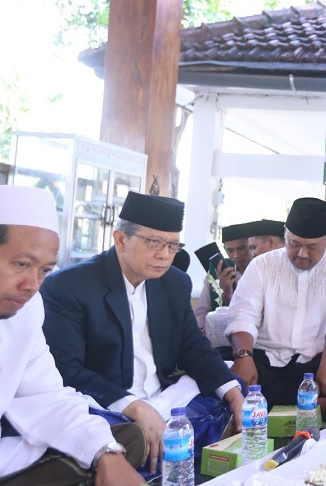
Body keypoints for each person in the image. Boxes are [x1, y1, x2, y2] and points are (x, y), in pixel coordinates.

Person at [40, 191, 244, 477]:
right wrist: (134, 406)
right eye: (154, 243)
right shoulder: (69, 286)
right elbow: (67, 370)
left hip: (162, 398)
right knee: (113, 437)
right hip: (108, 403)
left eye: (173, 245)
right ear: (121, 239)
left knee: (236, 391)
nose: (164, 255)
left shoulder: (174, 282)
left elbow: (193, 347)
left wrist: (234, 394)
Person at [0, 185, 145, 486]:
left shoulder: (26, 308)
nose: (32, 284)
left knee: (124, 438)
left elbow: (45, 395)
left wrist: (105, 452)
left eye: (44, 270)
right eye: (22, 264)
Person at [226, 198, 326, 422]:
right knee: (226, 368)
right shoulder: (261, 265)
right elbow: (243, 314)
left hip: (317, 361)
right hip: (264, 361)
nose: (302, 254)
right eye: (294, 243)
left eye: (312, 247)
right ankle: (313, 404)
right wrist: (244, 356)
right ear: (285, 233)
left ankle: (277, 402)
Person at [193, 222, 252, 331]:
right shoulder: (217, 271)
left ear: (250, 246)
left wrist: (228, 293)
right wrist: (201, 328)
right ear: (224, 249)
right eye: (230, 250)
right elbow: (201, 312)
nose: (236, 255)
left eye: (241, 248)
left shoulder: (259, 270)